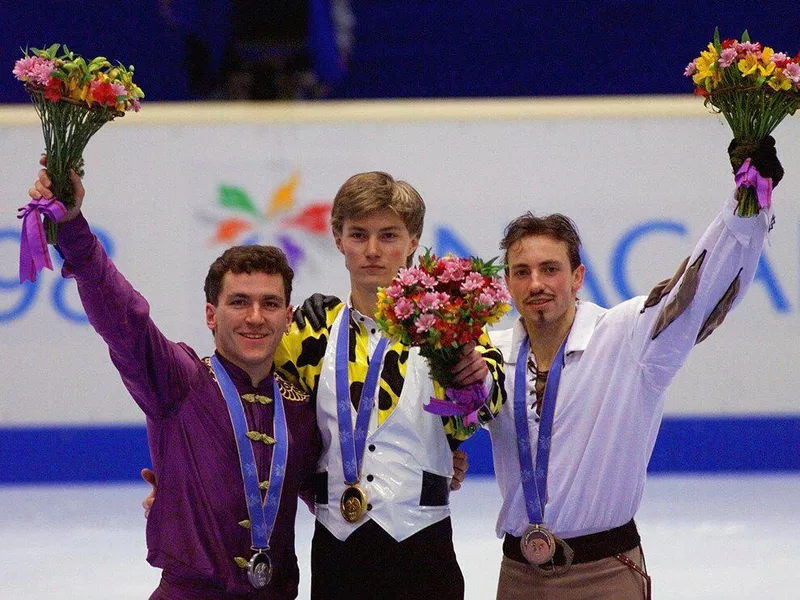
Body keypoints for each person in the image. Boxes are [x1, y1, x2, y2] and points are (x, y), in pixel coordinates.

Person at [484, 138, 784, 599]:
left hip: (605, 576)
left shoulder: (627, 337)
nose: (536, 283)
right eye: (521, 272)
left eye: (550, 268)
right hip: (517, 576)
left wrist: (746, 205)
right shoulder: (491, 354)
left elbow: (697, 290)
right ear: (506, 283)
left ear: (578, 276)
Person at [27, 158, 320, 598]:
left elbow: (339, 495)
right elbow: (124, 317)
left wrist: (439, 459)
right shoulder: (179, 383)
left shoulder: (300, 404)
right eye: (239, 302)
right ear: (210, 315)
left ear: (288, 317)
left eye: (270, 303)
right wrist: (72, 227)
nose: (255, 317)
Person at [274, 171, 506, 599]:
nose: (373, 251)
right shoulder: (306, 334)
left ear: (414, 240)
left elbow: (485, 410)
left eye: (389, 235)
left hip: (423, 548)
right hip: (335, 551)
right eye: (358, 235)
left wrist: (471, 384)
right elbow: (269, 426)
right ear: (338, 239)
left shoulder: (451, 328)